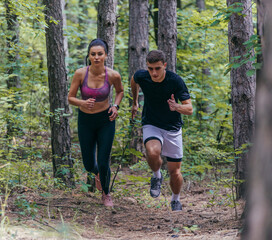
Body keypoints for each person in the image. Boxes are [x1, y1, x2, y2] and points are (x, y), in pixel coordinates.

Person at [131, 50, 193, 211]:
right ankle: (157, 176)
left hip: (173, 128)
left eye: (158, 68)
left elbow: (190, 108)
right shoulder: (142, 76)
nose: (154, 73)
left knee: (175, 172)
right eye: (150, 68)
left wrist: (177, 106)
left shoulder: (175, 81)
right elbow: (133, 80)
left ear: (164, 65)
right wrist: (135, 101)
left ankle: (175, 199)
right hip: (151, 123)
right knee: (152, 152)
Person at [68, 39, 124, 207]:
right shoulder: (80, 74)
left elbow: (120, 91)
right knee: (88, 163)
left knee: (103, 159)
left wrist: (115, 106)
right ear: (89, 56)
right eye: (93, 54)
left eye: (100, 54)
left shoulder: (113, 75)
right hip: (85, 121)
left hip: (106, 120)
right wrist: (82, 103)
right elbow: (70, 97)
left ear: (106, 55)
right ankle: (97, 173)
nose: (97, 57)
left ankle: (106, 194)